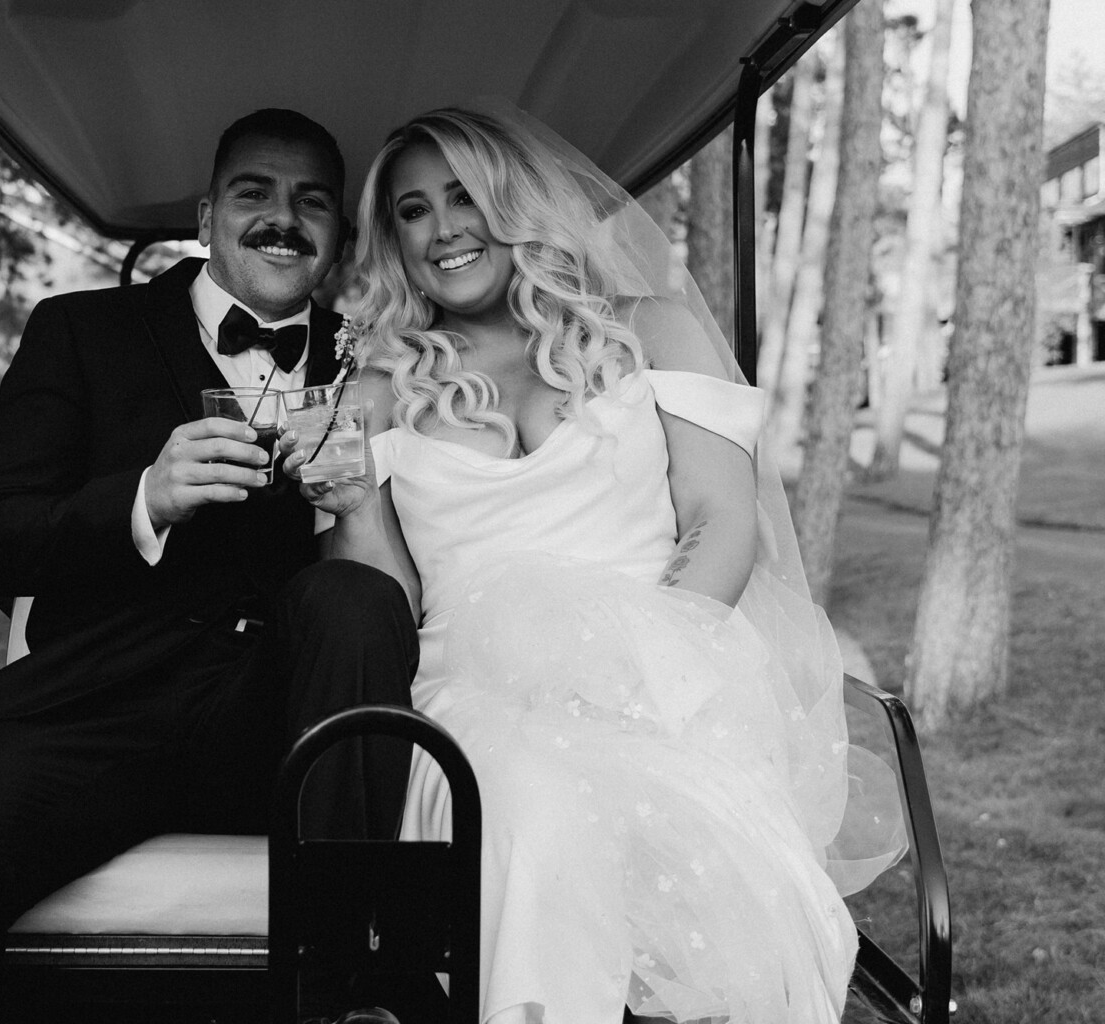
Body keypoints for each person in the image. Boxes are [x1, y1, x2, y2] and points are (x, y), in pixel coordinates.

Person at [287, 105, 907, 1024]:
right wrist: (337, 502)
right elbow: (389, 595)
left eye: (464, 195)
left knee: (702, 853)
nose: (443, 228)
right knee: (536, 803)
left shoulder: (652, 333)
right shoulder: (377, 388)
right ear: (392, 241)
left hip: (665, 662)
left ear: (517, 203)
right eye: (413, 211)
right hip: (476, 695)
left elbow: (720, 522)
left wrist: (627, 671)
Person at [0, 108, 418, 1024]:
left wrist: (353, 499)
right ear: (205, 218)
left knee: (350, 595)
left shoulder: (378, 362)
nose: (283, 216)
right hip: (95, 710)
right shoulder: (81, 331)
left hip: (285, 725)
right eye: (255, 193)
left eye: (311, 201)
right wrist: (145, 498)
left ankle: (338, 983)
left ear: (341, 238)